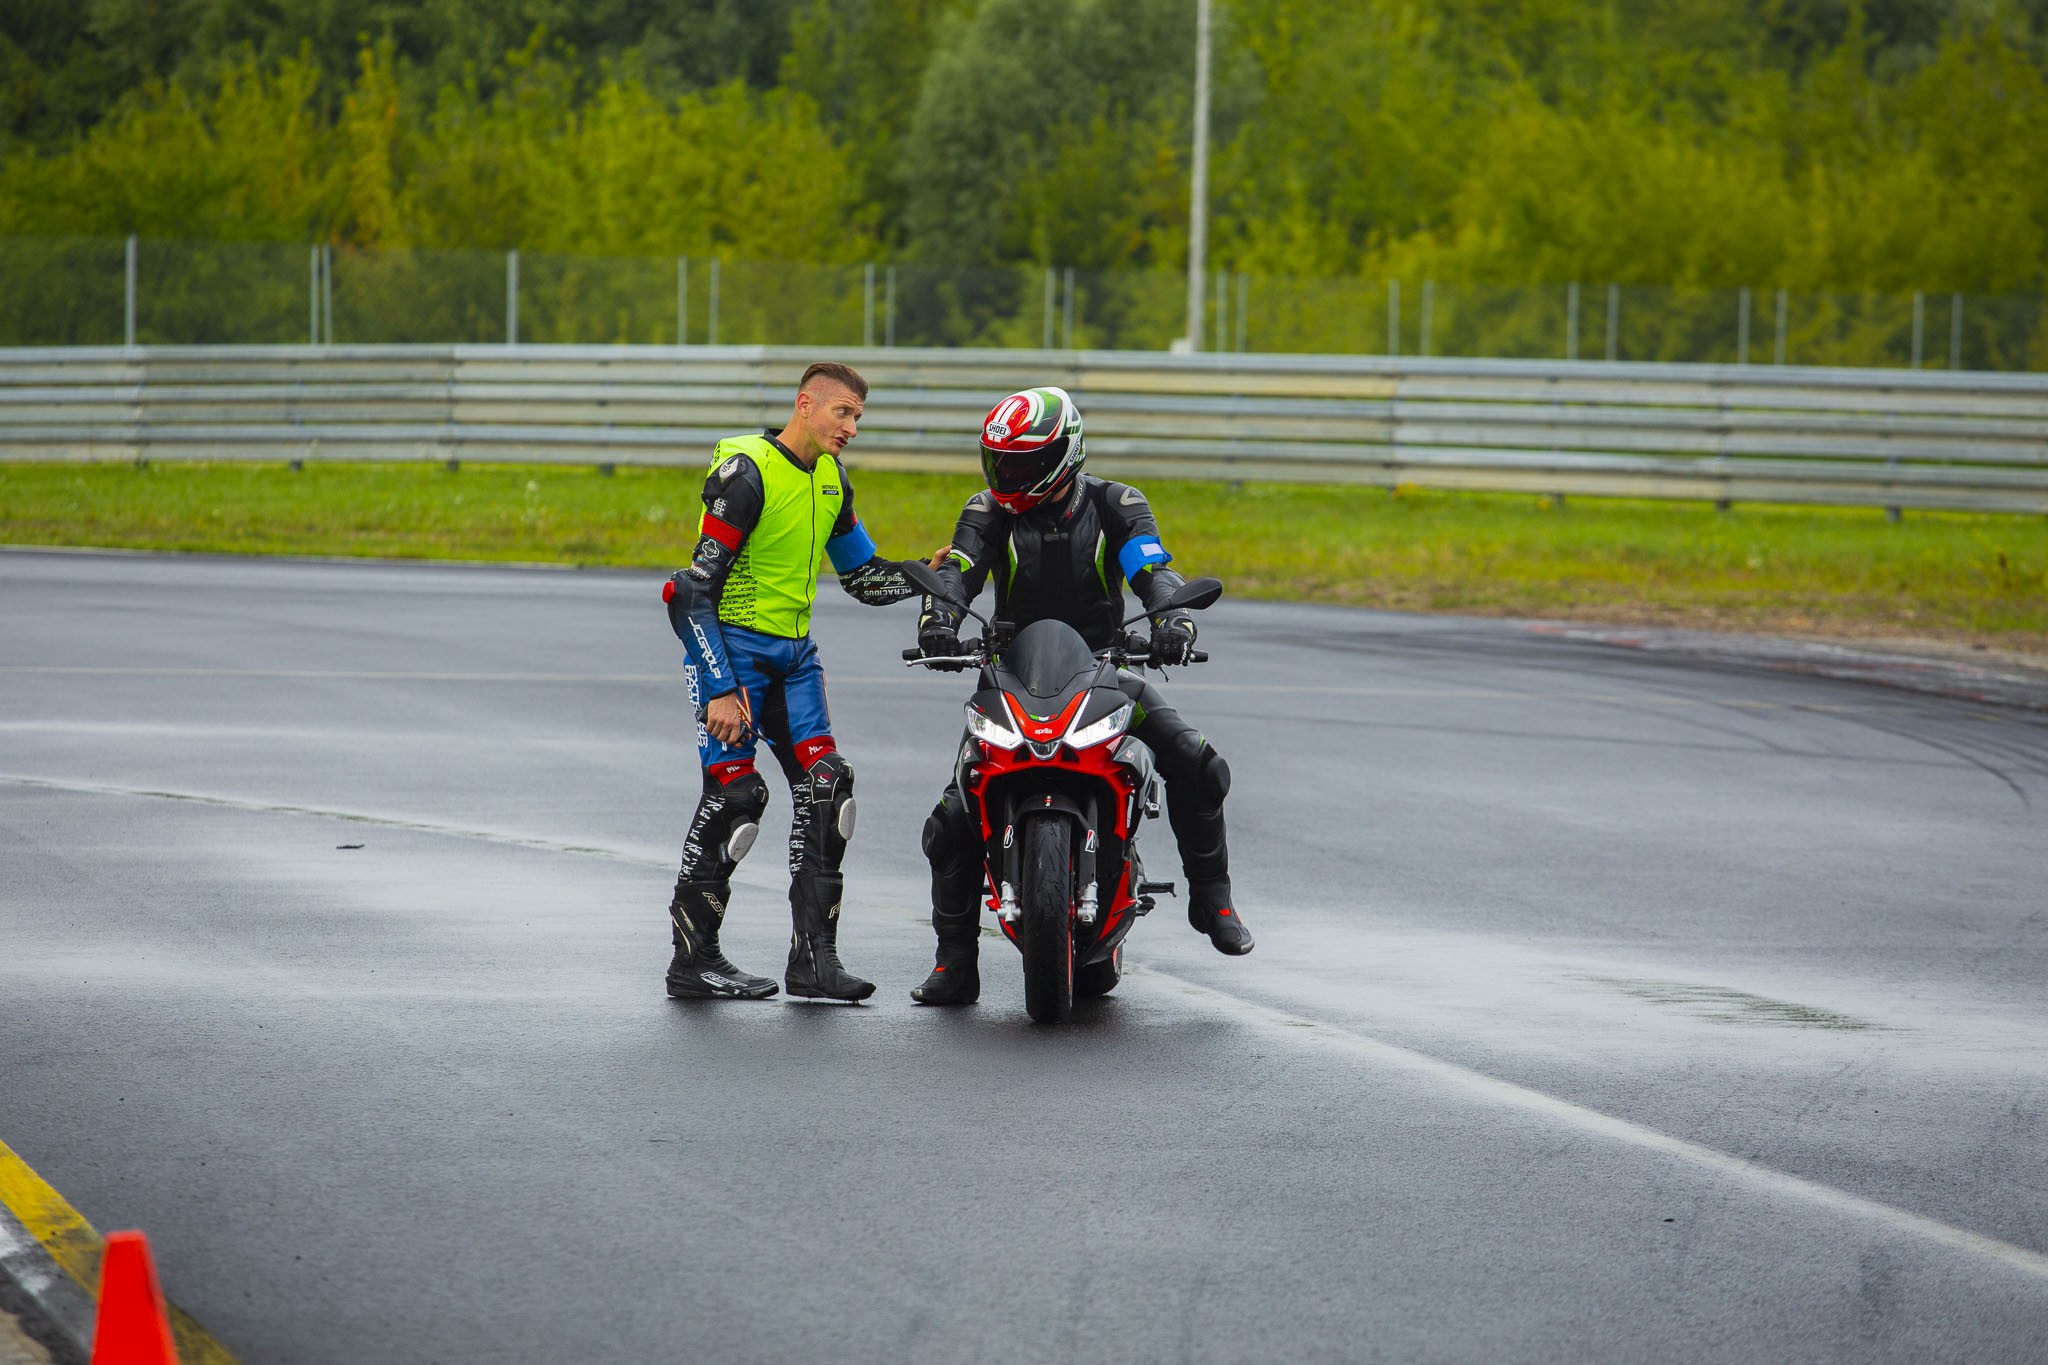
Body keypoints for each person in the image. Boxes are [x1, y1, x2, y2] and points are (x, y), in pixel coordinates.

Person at [908, 386, 1253, 1007]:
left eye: (1021, 464)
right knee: (952, 816)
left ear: (1062, 456)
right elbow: (960, 567)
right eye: (999, 462)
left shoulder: (1118, 503)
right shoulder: (987, 510)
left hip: (1107, 671)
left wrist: (1172, 618)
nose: (1006, 475)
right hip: (1011, 678)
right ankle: (954, 963)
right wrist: (939, 617)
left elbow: (1152, 568)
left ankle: (1214, 900)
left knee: (1199, 762)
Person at [660, 361, 918, 1003]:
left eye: (858, 416)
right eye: (843, 412)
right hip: (733, 655)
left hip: (795, 659)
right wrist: (720, 687)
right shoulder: (747, 475)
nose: (852, 427)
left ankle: (813, 963)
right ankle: (692, 962)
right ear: (805, 405)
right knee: (737, 796)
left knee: (829, 786)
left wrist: (929, 575)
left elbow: (863, 578)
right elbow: (689, 592)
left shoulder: (832, 479)